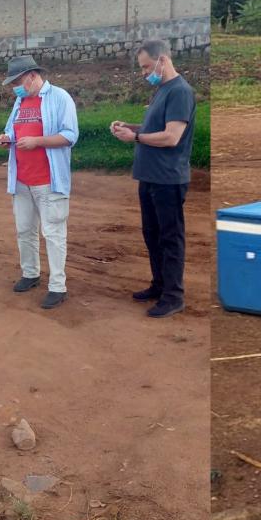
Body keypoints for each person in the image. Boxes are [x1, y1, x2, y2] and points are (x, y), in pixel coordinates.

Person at [110, 38, 197, 319]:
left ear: (163, 60)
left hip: (168, 179)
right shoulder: (162, 90)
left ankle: (174, 295)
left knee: (170, 238)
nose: (145, 73)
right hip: (150, 177)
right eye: (142, 68)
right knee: (152, 235)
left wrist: (135, 137)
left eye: (147, 67)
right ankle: (159, 285)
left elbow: (172, 137)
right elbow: (154, 127)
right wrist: (130, 127)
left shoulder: (180, 92)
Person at [0, 55, 78, 310]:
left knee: (53, 233)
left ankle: (57, 286)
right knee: (24, 230)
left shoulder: (59, 98)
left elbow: (69, 135)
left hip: (48, 180)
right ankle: (30, 273)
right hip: (22, 179)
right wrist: (5, 137)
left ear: (32, 76)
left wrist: (37, 141)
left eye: (18, 82)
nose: (15, 88)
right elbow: (13, 129)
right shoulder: (20, 101)